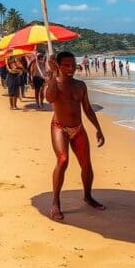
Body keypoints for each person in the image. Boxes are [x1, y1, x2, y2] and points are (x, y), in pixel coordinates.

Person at [45, 51, 106, 221]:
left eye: (73, 65)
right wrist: (52, 75)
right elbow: (49, 98)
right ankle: (56, 202)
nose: (71, 68)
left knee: (86, 164)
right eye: (66, 65)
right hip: (59, 128)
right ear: (58, 65)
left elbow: (87, 109)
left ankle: (88, 196)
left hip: (78, 128)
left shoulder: (80, 85)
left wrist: (98, 129)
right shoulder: (54, 84)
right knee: (63, 160)